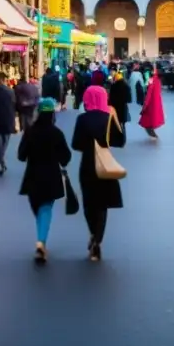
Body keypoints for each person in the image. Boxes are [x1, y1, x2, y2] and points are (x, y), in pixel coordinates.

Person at [71, 86, 126, 261]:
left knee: (89, 203)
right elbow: (120, 141)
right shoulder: (108, 116)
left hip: (87, 164)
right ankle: (97, 240)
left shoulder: (82, 119)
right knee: (102, 205)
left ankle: (93, 234)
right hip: (105, 165)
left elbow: (75, 144)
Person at [18, 98, 72, 263]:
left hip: (32, 177)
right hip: (51, 177)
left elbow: (21, 156)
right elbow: (66, 158)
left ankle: (42, 239)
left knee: (37, 208)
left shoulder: (30, 131)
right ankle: (41, 241)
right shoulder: (56, 133)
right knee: (46, 208)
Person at [139, 69, 165, 140]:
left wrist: (145, 103)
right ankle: (152, 133)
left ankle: (151, 133)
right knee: (153, 117)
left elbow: (149, 92)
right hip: (157, 102)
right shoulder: (159, 81)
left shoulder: (151, 80)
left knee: (147, 118)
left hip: (151, 103)